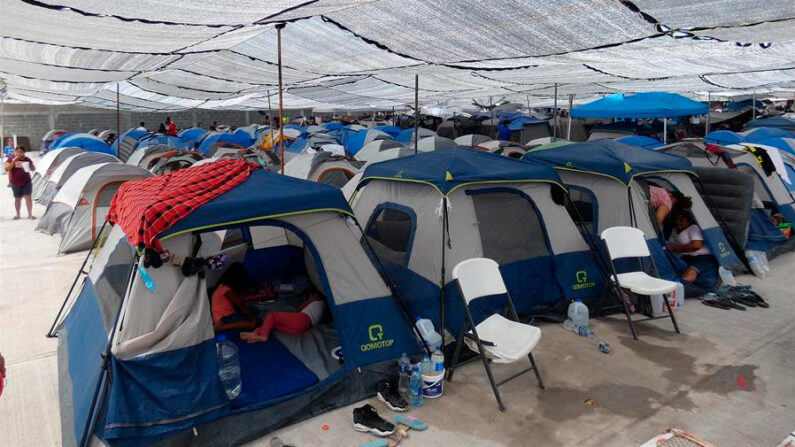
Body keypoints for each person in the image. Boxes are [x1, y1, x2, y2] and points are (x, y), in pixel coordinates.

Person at [240, 289, 325, 343]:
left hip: (302, 319)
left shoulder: (317, 297)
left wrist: (310, 299)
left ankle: (263, 335)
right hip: (302, 328)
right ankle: (255, 334)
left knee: (272, 315)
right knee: (272, 325)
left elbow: (299, 307)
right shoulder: (322, 306)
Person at [666, 210, 716, 284]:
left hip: (701, 257)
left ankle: (678, 285)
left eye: (681, 220)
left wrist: (674, 248)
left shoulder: (693, 228)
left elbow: (697, 245)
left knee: (691, 271)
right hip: (684, 258)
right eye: (676, 220)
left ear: (689, 221)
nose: (677, 222)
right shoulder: (674, 230)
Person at [211, 263, 263, 332]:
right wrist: (252, 317)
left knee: (254, 310)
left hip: (226, 315)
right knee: (256, 321)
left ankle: (225, 325)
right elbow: (240, 305)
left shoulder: (222, 287)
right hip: (224, 317)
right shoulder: (225, 289)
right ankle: (222, 326)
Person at [5, 145, 35, 220]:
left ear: (24, 153)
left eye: (21, 152)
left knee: (28, 198)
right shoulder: (10, 159)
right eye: (17, 152)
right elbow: (6, 169)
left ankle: (30, 214)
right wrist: (14, 162)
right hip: (15, 182)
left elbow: (33, 168)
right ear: (15, 152)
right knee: (17, 198)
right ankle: (18, 214)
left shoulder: (27, 159)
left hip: (26, 181)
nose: (19, 153)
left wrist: (31, 166)